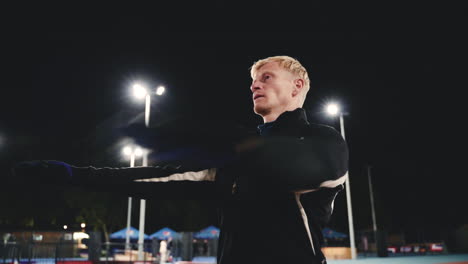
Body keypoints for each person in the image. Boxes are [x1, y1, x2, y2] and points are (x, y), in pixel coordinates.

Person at [12, 55, 348, 264]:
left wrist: (239, 147)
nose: (253, 86)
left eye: (266, 77)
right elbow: (157, 179)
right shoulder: (234, 154)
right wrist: (72, 174)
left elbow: (305, 169)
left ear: (297, 85)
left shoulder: (323, 139)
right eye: (252, 81)